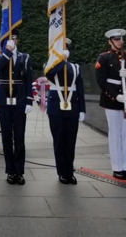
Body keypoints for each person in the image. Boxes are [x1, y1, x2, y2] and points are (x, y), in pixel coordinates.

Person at [95, 29, 126, 182]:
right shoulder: (104, 57)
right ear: (110, 41)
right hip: (112, 99)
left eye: (120, 39)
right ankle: (117, 168)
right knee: (115, 134)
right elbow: (101, 81)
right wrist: (115, 96)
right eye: (115, 39)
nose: (119, 41)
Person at [0, 28, 34, 185]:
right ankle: (10, 170)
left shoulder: (25, 57)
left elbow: (29, 79)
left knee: (19, 136)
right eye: (10, 39)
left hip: (20, 98)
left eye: (15, 38)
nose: (13, 41)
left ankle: (19, 170)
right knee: (6, 136)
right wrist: (7, 52)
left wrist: (29, 100)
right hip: (4, 100)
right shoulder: (0, 57)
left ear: (18, 40)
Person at [46, 38, 86, 185]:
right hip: (56, 107)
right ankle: (61, 172)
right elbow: (51, 74)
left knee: (70, 141)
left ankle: (69, 172)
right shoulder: (49, 65)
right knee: (59, 140)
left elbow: (80, 90)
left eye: (66, 48)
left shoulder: (75, 67)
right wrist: (61, 60)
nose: (64, 50)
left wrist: (82, 109)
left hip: (72, 106)